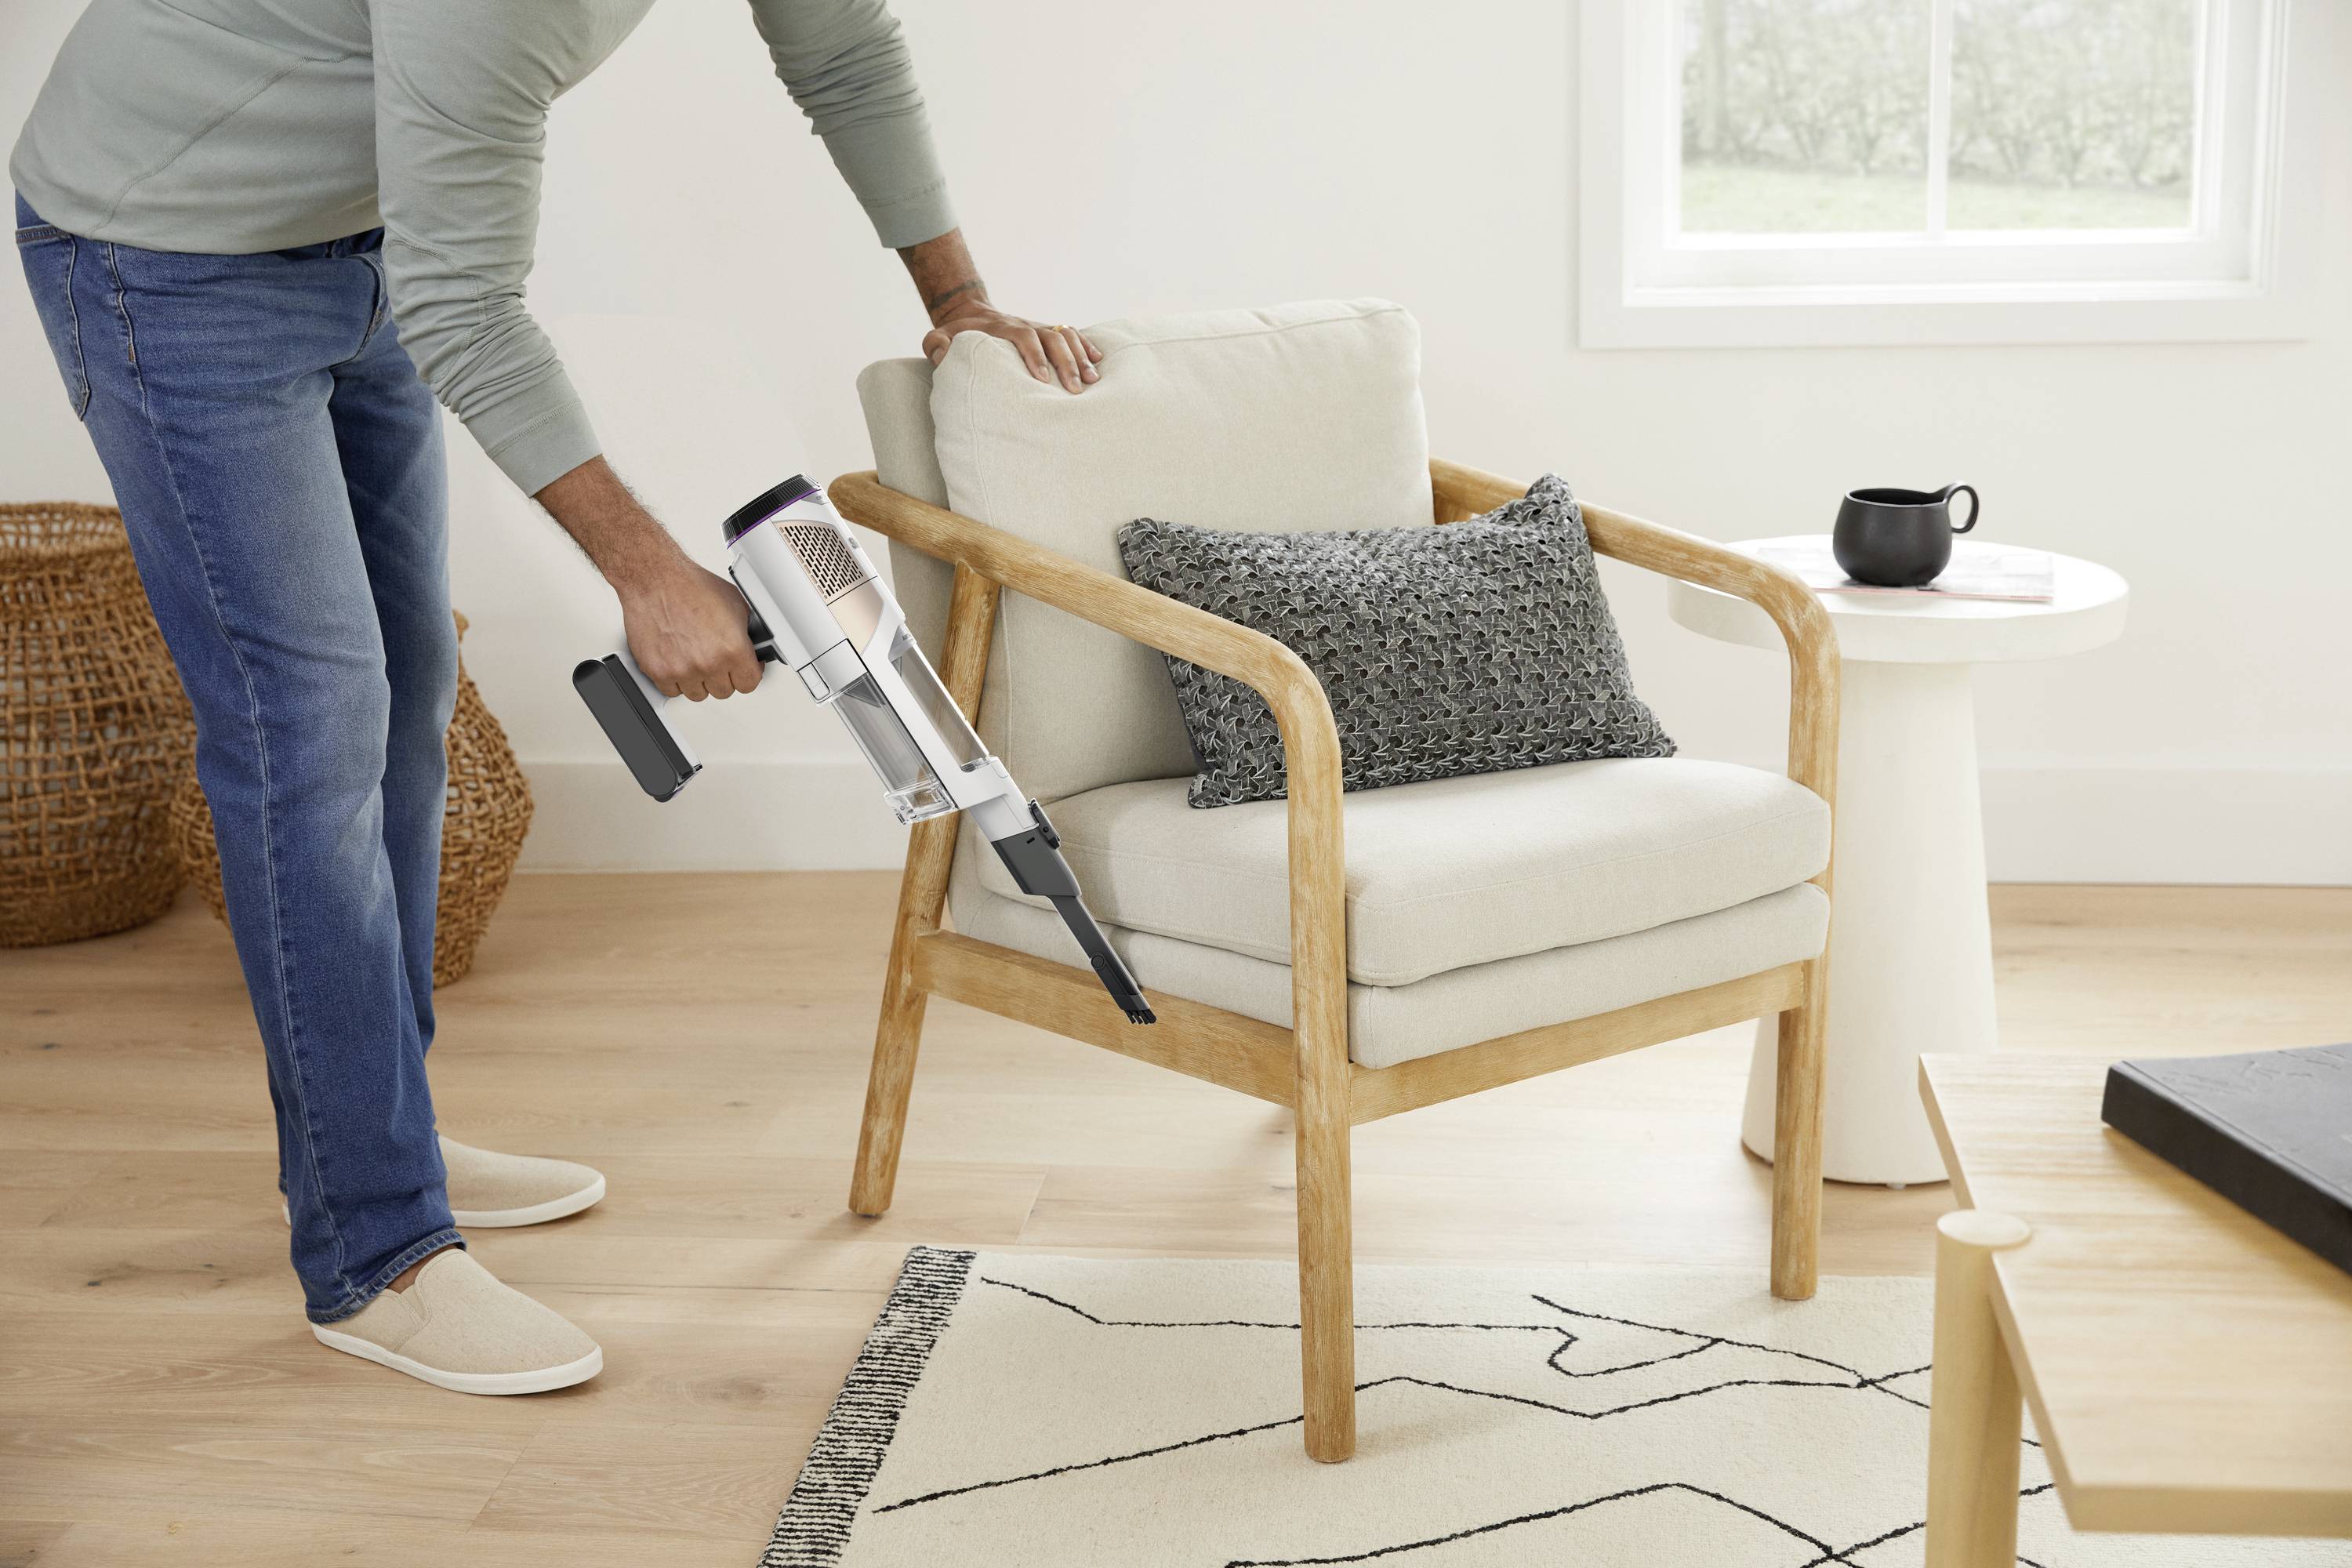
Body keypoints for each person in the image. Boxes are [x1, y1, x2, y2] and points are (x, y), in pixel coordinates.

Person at [11, 0, 1096, 1396]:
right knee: (311, 735)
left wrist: (959, 302)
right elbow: (473, 311)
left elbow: (843, 50)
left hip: (364, 237)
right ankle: (375, 1250)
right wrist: (646, 577)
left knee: (405, 697)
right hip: (165, 259)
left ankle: (373, 1127)